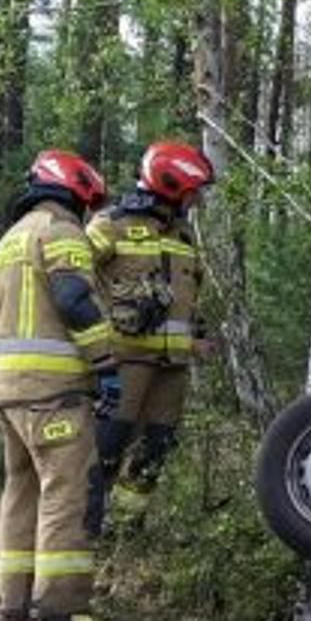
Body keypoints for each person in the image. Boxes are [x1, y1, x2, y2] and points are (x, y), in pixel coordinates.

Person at [0, 149, 123, 621]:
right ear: (76, 191)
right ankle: (62, 612)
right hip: (55, 390)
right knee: (68, 494)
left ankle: (14, 603)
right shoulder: (62, 232)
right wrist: (106, 366)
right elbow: (71, 299)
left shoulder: (8, 240)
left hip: (10, 390)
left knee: (20, 491)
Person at [83, 141, 214, 537]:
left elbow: (191, 298)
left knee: (154, 451)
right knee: (106, 448)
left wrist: (200, 337)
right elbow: (71, 275)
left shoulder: (185, 237)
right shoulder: (111, 224)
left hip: (172, 368)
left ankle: (124, 531)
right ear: (172, 184)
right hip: (123, 362)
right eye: (193, 191)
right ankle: (82, 530)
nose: (196, 200)